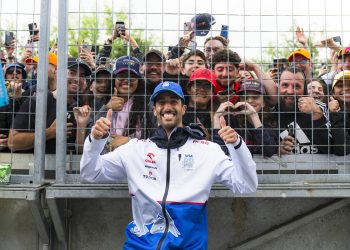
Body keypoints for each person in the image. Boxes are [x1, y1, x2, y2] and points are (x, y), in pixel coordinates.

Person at [80, 81, 257, 249]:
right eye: (161, 102)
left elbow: (246, 185)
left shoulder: (208, 151)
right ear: (155, 110)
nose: (167, 106)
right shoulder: (134, 150)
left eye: (174, 101)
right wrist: (95, 141)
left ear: (184, 108)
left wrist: (236, 145)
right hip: (140, 246)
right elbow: (90, 173)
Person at [8, 58, 92, 153]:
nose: (77, 79)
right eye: (72, 73)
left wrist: (81, 126)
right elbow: (12, 142)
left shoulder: (78, 108)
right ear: (58, 73)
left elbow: (79, 152)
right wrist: (49, 132)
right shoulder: (37, 101)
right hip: (38, 167)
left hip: (68, 166)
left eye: (82, 75)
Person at [88, 56, 150, 151]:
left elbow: (153, 140)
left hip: (135, 162)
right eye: (121, 76)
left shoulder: (147, 105)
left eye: (132, 77)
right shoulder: (100, 101)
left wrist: (129, 141)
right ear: (114, 78)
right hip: (105, 161)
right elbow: (89, 136)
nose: (126, 80)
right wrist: (107, 108)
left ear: (139, 81)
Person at [213, 80, 278, 158]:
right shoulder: (231, 119)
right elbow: (219, 151)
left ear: (263, 103)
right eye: (245, 97)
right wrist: (216, 118)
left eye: (255, 97)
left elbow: (269, 151)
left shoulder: (270, 120)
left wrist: (254, 116)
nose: (249, 101)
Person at [276, 67, 330, 155]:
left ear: (304, 90)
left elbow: (331, 149)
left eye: (297, 86)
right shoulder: (269, 114)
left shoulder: (319, 109)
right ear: (278, 87)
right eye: (285, 85)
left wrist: (317, 114)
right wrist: (276, 151)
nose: (290, 91)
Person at [0, 63, 26, 151]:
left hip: (21, 148)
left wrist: (19, 99)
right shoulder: (1, 96)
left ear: (23, 77)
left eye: (18, 72)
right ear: (5, 76)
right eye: (10, 72)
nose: (15, 74)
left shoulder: (29, 95)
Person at [328, 70, 350, 155]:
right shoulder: (326, 113)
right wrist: (335, 114)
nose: (346, 88)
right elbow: (343, 149)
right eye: (340, 85)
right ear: (333, 92)